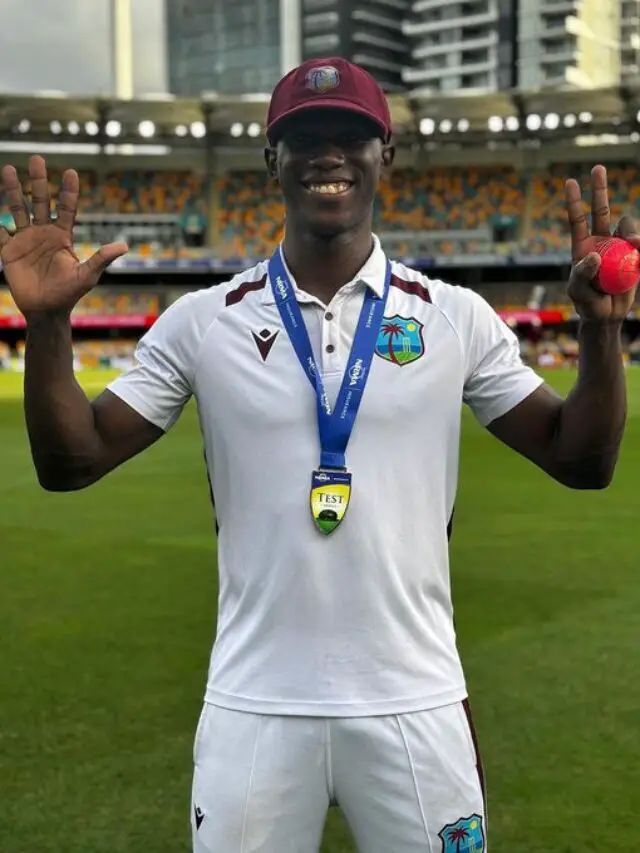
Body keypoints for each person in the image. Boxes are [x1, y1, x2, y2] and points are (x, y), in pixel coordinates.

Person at [0, 57, 634, 853]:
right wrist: (51, 327)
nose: (327, 154)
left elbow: (582, 458)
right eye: (303, 138)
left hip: (416, 698)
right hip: (255, 705)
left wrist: (603, 331)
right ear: (272, 162)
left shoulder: (454, 318)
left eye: (350, 136)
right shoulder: (204, 321)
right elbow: (72, 461)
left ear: (386, 156)